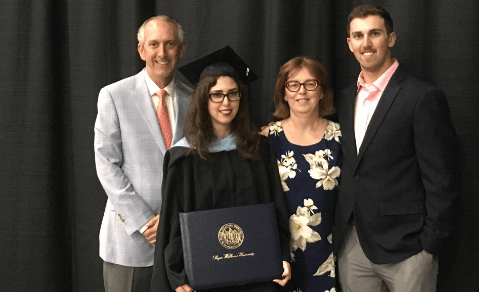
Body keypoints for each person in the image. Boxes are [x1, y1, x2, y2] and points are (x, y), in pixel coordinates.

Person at [333, 4, 459, 292]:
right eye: (358, 35)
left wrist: (430, 247)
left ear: (390, 38)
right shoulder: (342, 99)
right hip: (353, 245)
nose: (366, 43)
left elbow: (443, 179)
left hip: (408, 247)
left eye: (374, 33)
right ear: (349, 43)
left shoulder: (422, 97)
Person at [150, 46, 291, 292]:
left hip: (256, 275)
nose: (226, 103)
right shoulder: (184, 158)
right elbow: (173, 223)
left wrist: (282, 255)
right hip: (204, 279)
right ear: (203, 99)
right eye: (216, 95)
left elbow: (275, 206)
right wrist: (177, 275)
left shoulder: (258, 149)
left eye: (233, 94)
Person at [94, 15, 192, 292]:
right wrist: (144, 222)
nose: (162, 53)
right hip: (130, 240)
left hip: (180, 239)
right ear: (141, 50)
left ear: (181, 50)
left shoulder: (194, 99)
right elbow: (107, 165)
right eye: (154, 44)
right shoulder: (114, 95)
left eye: (170, 44)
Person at [260, 56, 341, 292]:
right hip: (281, 255)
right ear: (283, 93)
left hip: (330, 254)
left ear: (322, 91)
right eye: (293, 85)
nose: (302, 92)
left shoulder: (341, 137)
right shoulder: (267, 138)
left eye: (311, 84)